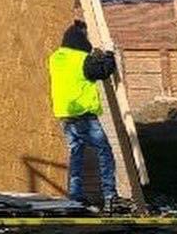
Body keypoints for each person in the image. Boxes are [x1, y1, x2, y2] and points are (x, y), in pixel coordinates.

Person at [48, 20, 124, 212]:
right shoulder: (81, 60)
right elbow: (103, 71)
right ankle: (110, 196)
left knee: (76, 154)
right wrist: (109, 55)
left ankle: (76, 196)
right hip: (84, 117)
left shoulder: (55, 58)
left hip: (66, 116)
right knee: (104, 151)